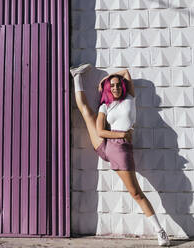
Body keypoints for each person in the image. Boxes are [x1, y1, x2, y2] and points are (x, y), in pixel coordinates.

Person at [70, 64, 170, 247]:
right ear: (109, 89)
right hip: (108, 144)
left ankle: (160, 232)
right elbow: (100, 132)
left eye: (117, 84)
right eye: (112, 86)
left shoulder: (130, 97)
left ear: (122, 86)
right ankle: (76, 77)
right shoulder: (105, 106)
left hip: (122, 150)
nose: (115, 88)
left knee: (136, 193)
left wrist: (104, 79)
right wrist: (122, 134)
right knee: (86, 112)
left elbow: (125, 72)